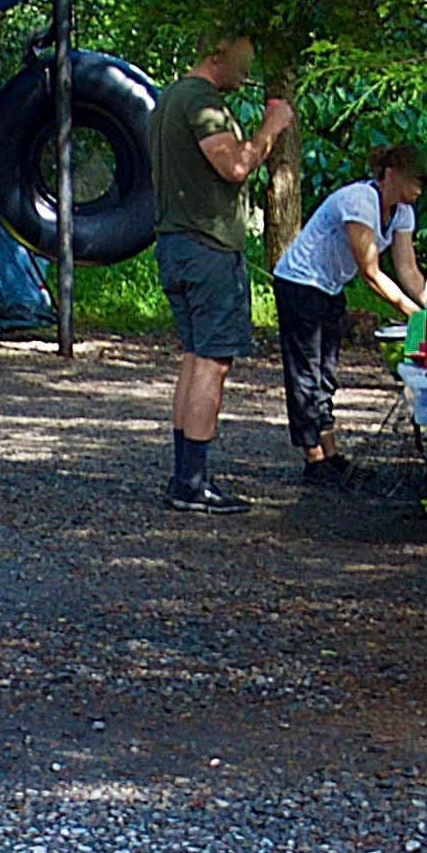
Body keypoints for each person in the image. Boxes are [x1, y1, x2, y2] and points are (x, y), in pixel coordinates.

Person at [149, 36, 291, 512]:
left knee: (194, 356)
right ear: (217, 55)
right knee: (213, 361)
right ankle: (194, 484)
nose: (245, 73)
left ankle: (185, 477)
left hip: (176, 242)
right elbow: (234, 165)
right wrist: (270, 129)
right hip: (206, 248)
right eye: (241, 63)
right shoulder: (200, 101)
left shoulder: (168, 97)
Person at [269, 142, 427, 484]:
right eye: (414, 179)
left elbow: (409, 271)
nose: (419, 188)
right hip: (300, 283)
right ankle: (313, 459)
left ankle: (330, 454)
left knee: (326, 373)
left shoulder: (403, 212)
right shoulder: (359, 201)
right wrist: (412, 313)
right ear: (391, 174)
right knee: (305, 373)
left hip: (329, 287)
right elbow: (370, 271)